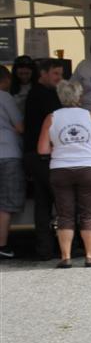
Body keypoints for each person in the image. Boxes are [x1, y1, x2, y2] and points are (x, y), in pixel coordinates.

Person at [36, 80, 91, 268]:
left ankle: (65, 256)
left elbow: (42, 149)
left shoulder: (51, 118)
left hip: (60, 169)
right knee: (88, 213)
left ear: (60, 97)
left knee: (64, 214)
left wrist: (61, 148)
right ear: (80, 96)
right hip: (88, 168)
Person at [22, 58, 64, 260]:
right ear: (43, 73)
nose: (59, 78)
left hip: (33, 155)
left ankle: (44, 249)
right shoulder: (45, 96)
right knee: (62, 202)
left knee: (43, 204)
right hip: (44, 155)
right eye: (56, 73)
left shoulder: (35, 93)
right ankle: (67, 248)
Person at [0, 65, 25, 259]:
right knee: (6, 202)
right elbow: (19, 126)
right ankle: (2, 244)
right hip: (8, 152)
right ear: (5, 80)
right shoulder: (5, 97)